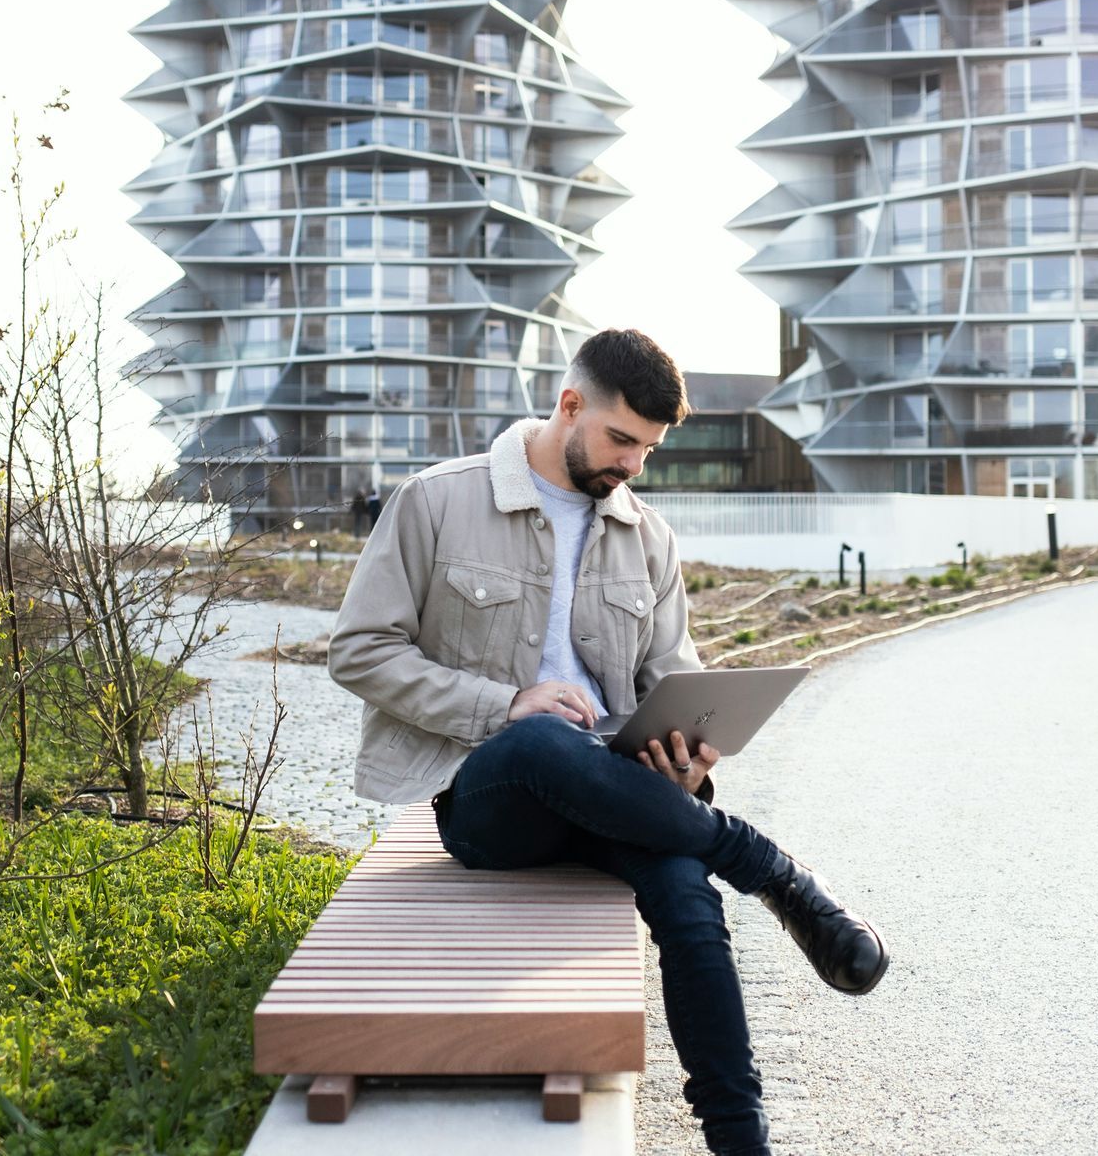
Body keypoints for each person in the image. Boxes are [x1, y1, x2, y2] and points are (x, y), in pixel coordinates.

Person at [329, 329, 887, 1156]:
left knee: (684, 887)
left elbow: (676, 679)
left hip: (614, 785)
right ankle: (774, 873)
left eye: (649, 449)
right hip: (490, 796)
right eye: (622, 439)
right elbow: (360, 649)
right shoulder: (439, 500)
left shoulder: (648, 537)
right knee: (544, 741)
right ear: (569, 405)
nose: (633, 464)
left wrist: (688, 760)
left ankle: (742, 1141)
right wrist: (506, 703)